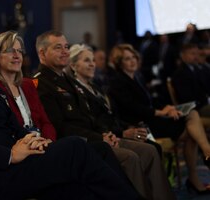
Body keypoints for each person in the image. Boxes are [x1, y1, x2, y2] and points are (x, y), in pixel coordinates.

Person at [0, 25, 140, 200]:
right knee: (75, 147)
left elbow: (14, 127)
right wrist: (10, 155)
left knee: (91, 166)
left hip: (13, 168)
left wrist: (32, 140)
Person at [34, 30, 175, 200]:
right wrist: (100, 138)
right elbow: (61, 126)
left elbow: (90, 116)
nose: (65, 51)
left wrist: (107, 134)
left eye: (66, 47)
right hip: (81, 145)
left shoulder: (67, 80)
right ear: (42, 53)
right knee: (130, 158)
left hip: (98, 137)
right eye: (58, 48)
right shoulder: (40, 83)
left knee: (149, 151)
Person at [108, 43, 210, 194]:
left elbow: (150, 102)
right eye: (127, 59)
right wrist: (161, 112)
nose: (132, 61)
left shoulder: (137, 76)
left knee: (192, 115)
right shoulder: (118, 81)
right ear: (119, 62)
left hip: (152, 119)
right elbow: (134, 109)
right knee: (191, 131)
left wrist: (168, 108)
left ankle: (202, 161)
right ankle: (204, 157)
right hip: (140, 125)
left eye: (134, 57)